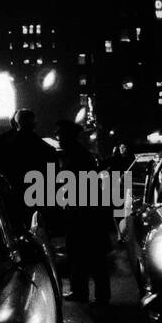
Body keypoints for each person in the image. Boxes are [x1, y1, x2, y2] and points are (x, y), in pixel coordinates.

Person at [57, 120, 114, 305]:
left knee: (87, 254)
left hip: (84, 213)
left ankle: (94, 294)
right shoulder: (78, 154)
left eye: (60, 135)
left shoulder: (77, 156)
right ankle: (88, 292)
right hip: (84, 211)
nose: (58, 138)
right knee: (85, 254)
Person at [0, 109, 57, 231]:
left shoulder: (3, 145)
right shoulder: (45, 148)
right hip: (37, 199)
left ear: (16, 123)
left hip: (12, 198)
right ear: (34, 124)